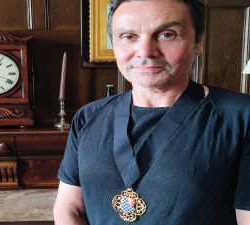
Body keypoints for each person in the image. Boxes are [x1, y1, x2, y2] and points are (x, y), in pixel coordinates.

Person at [53, 0, 250, 224]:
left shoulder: (241, 117)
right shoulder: (88, 117)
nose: (145, 51)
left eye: (167, 34)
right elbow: (70, 209)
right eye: (128, 36)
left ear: (198, 42)